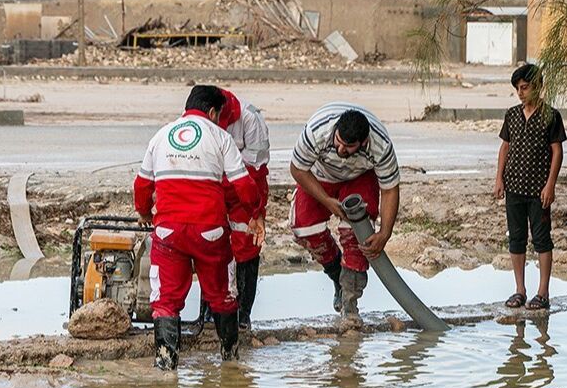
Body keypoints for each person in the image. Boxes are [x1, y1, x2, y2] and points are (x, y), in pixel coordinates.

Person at [133, 85, 264, 370]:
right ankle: (230, 362)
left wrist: (144, 212)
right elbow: (244, 186)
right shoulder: (220, 137)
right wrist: (254, 214)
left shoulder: (161, 135)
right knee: (223, 296)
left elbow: (142, 185)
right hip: (211, 233)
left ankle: (167, 367)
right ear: (214, 112)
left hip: (168, 233)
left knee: (166, 300)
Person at [290, 103, 400, 322]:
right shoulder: (316, 131)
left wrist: (385, 233)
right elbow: (297, 169)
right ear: (335, 131)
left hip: (360, 177)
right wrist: (327, 201)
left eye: (349, 148)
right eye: (338, 143)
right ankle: (336, 276)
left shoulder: (381, 145)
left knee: (358, 237)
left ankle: (350, 308)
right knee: (304, 229)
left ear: (363, 143)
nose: (341, 150)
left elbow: (390, 190)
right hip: (320, 177)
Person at [496, 64, 566, 311]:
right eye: (518, 89)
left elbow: (557, 152)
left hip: (539, 190)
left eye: (524, 87)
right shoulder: (512, 115)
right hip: (514, 186)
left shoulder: (551, 116)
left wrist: (550, 185)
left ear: (537, 86)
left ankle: (543, 293)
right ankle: (520, 291)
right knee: (516, 238)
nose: (520, 93)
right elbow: (505, 147)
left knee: (542, 240)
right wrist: (499, 178)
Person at [216, 89, 270, 330]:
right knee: (213, 242)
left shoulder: (250, 119)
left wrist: (256, 210)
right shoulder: (201, 116)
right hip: (215, 186)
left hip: (247, 187)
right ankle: (213, 308)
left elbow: (256, 169)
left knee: (247, 245)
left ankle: (243, 313)